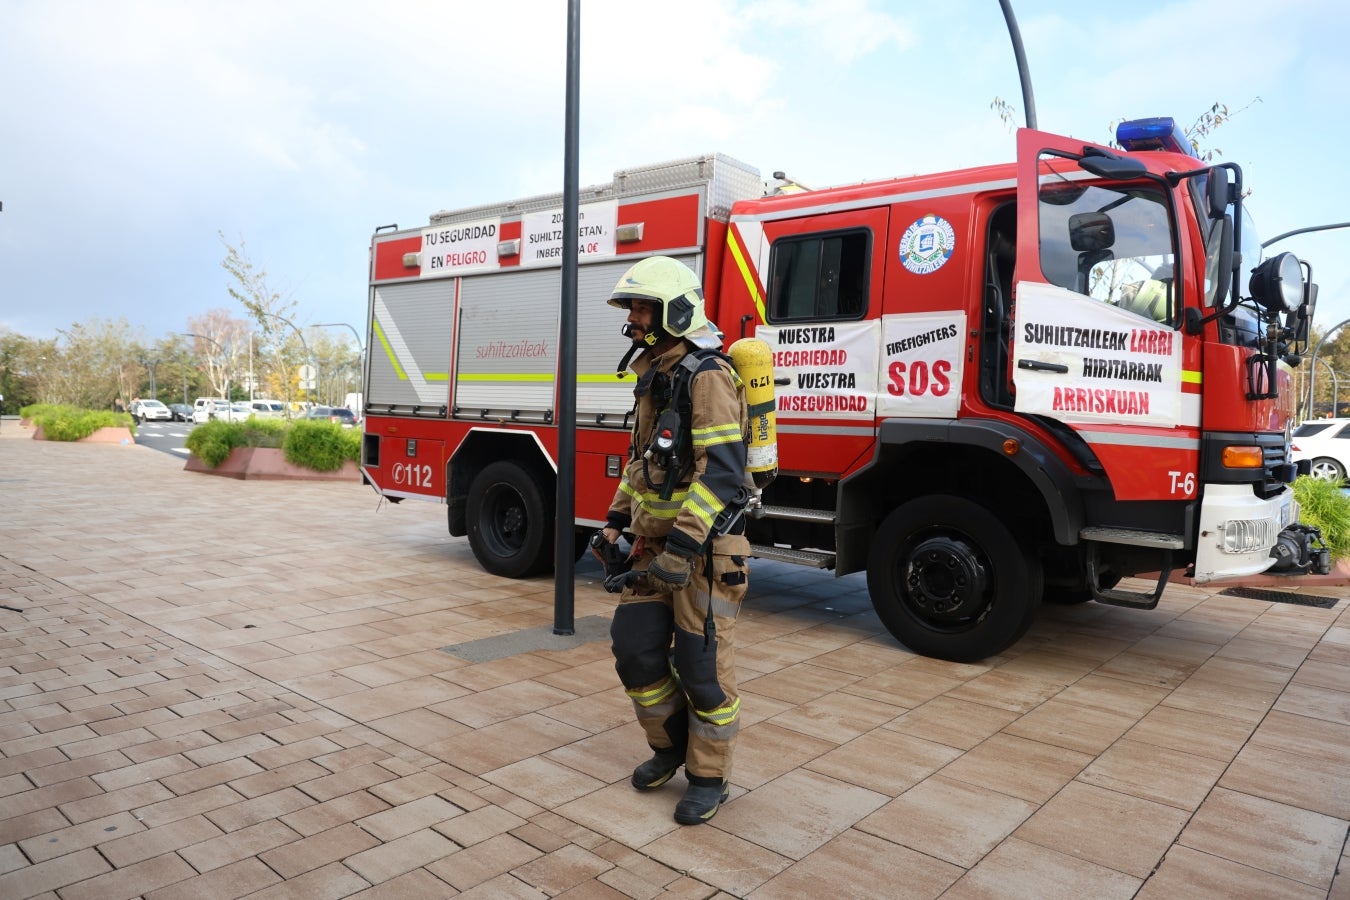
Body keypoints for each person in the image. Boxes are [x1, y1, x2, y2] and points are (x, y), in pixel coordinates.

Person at [598, 255, 752, 825]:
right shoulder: (652, 375)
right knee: (635, 651)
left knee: (702, 667)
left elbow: (723, 472)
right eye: (633, 307)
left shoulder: (706, 374)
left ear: (674, 311)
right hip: (652, 548)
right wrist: (614, 523)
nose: (633, 318)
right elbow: (641, 464)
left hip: (706, 553)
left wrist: (683, 550)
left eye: (642, 307)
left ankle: (709, 776)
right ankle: (668, 747)